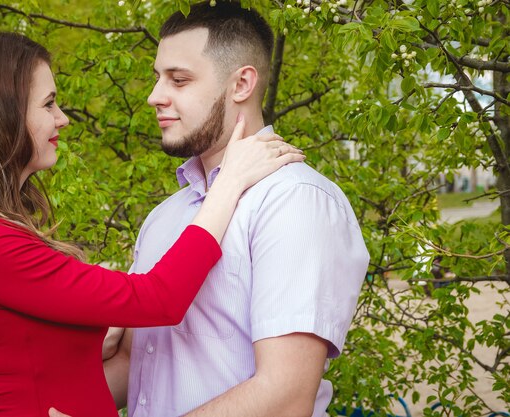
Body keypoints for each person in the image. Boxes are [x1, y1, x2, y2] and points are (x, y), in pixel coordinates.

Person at [0, 31, 304, 417]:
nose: (62, 118)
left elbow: (28, 354)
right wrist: (228, 183)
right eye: (48, 104)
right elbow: (159, 299)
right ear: (0, 115)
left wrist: (93, 338)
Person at [94, 3, 370, 417]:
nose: (154, 97)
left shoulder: (294, 201)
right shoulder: (165, 217)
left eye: (179, 80)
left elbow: (285, 397)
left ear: (241, 83)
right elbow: (138, 365)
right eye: (157, 78)